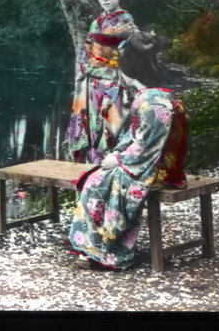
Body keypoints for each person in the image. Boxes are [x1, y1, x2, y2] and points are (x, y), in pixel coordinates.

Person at [67, 50, 188, 270]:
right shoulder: (151, 95)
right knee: (97, 178)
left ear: (129, 72)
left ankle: (108, 251)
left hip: (155, 165)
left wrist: (120, 160)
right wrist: (118, 153)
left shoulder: (154, 103)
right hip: (146, 159)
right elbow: (136, 134)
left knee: (99, 183)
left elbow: (150, 144)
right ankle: (95, 248)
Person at [66, 0, 145, 164]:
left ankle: (108, 176)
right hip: (90, 83)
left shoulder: (125, 20)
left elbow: (135, 47)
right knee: (90, 129)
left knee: (109, 131)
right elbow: (86, 52)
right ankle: (89, 175)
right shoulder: (96, 23)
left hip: (112, 83)